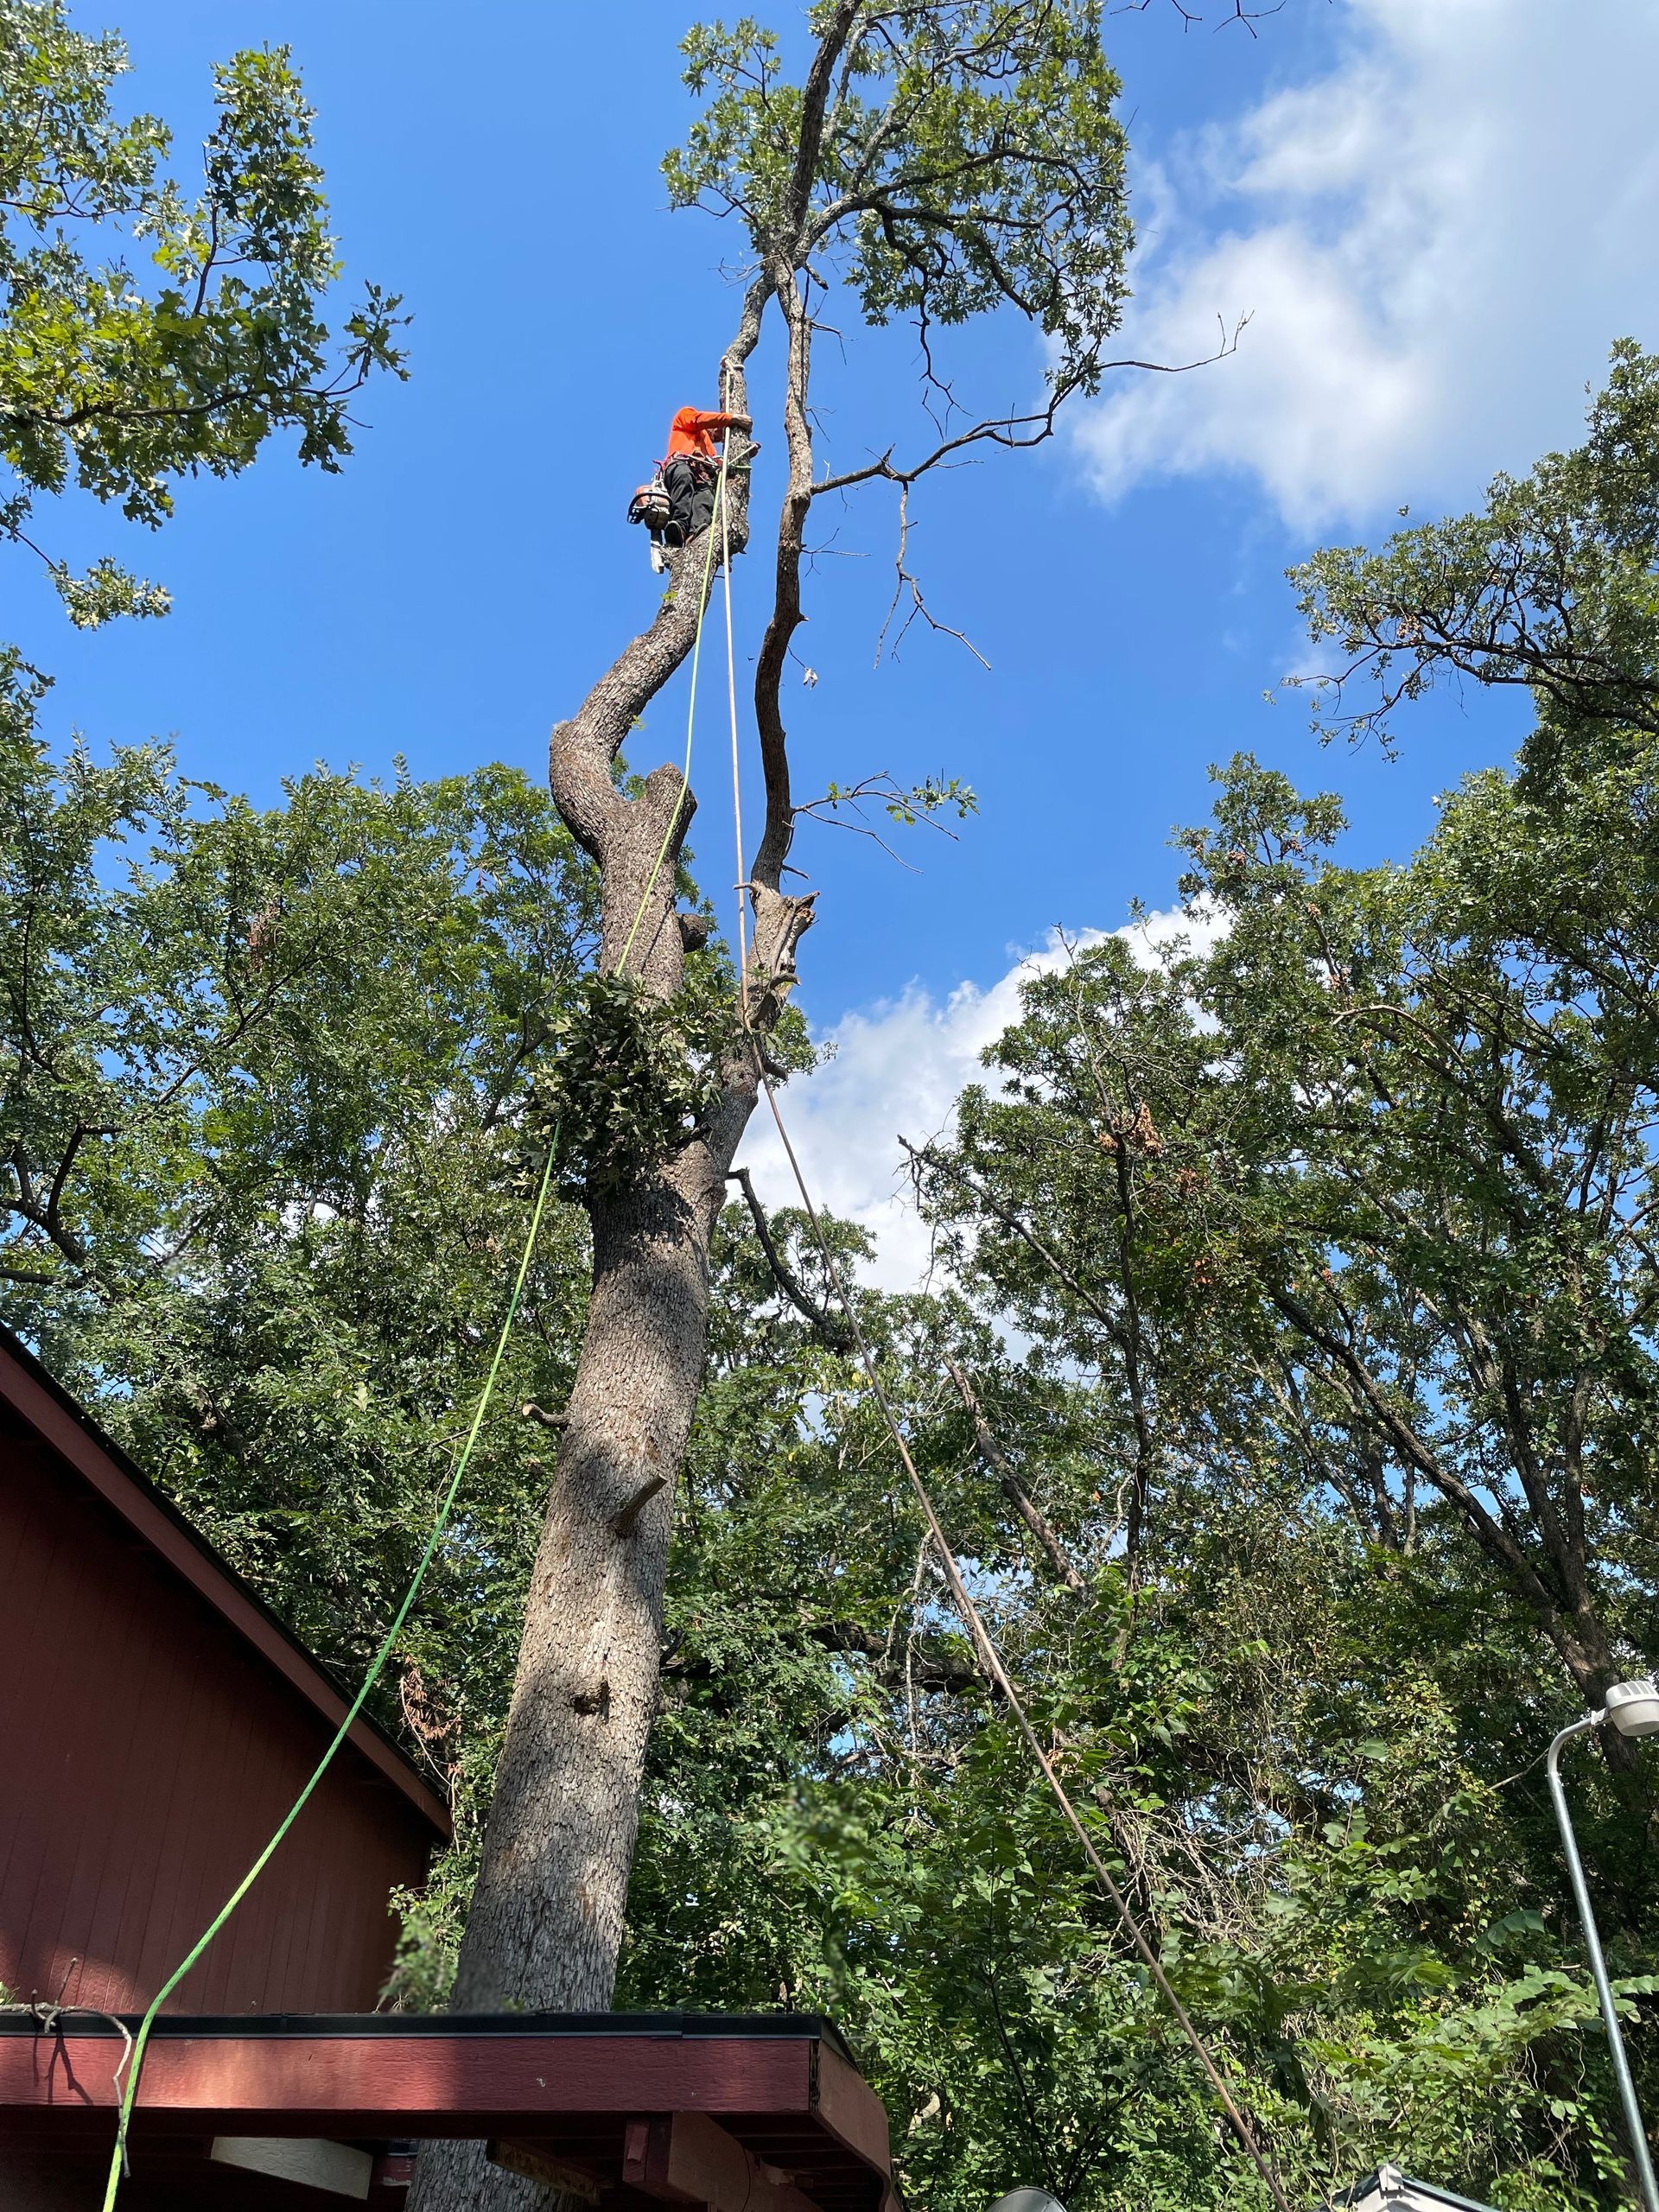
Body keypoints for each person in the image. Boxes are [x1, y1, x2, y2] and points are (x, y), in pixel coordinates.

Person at [660, 403, 753, 548]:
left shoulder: (710, 451)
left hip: (703, 479)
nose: (719, 433)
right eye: (717, 427)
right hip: (681, 465)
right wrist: (731, 418)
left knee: (706, 498)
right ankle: (679, 525)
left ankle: (696, 534)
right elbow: (699, 419)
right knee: (684, 479)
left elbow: (723, 467)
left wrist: (745, 454)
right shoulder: (685, 415)